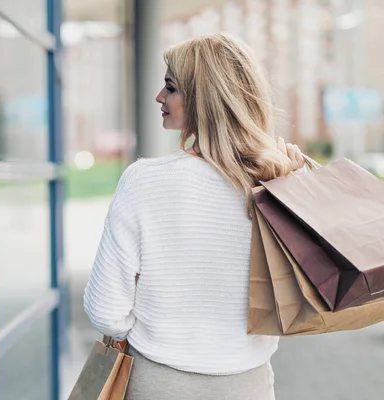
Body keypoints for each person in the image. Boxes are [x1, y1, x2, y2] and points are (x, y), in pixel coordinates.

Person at [83, 33, 305, 400]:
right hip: (248, 385)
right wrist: (293, 188)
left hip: (158, 382)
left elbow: (106, 311)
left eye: (170, 87)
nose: (159, 97)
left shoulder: (143, 181)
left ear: (205, 100)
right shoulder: (276, 183)